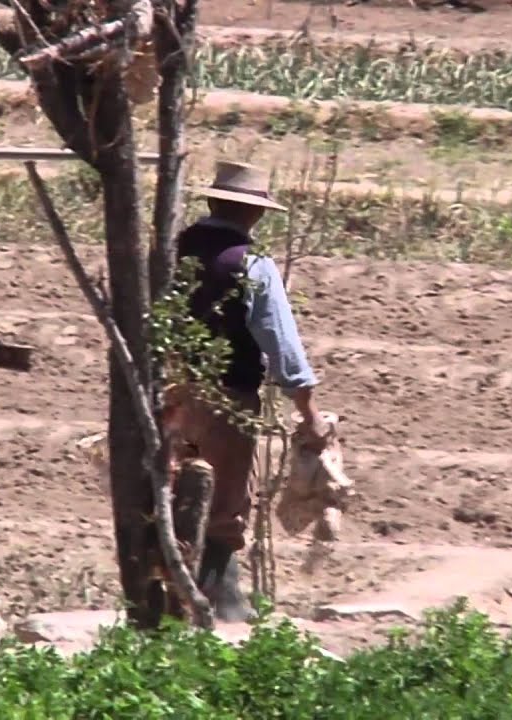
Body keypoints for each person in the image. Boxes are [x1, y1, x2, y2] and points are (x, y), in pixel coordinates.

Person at [171, 160, 330, 622]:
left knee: (175, 487)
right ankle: (221, 603)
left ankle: (172, 592)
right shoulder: (252, 266)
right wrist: (308, 410)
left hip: (170, 395)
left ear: (211, 203)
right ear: (255, 214)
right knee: (224, 498)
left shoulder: (173, 249)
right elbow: (280, 342)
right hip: (227, 396)